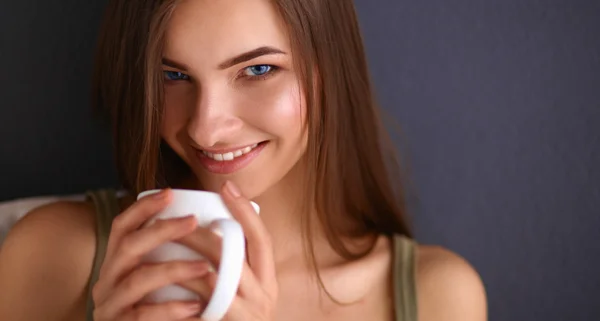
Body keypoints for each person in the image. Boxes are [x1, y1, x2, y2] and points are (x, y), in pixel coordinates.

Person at [0, 0, 487, 320]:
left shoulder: (435, 298)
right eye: (172, 75)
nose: (205, 128)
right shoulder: (53, 256)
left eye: (258, 69)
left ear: (330, 72)